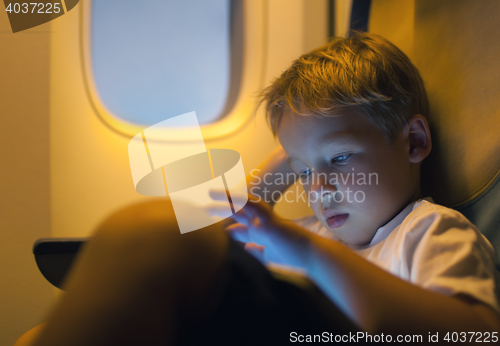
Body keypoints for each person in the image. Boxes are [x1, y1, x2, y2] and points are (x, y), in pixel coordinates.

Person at [22, 32, 500, 345]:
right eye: (302, 170)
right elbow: (210, 234)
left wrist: (307, 252)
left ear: (414, 141)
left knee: (146, 235)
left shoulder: (428, 232)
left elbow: (476, 334)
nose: (320, 186)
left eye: (338, 158)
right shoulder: (312, 230)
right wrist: (288, 166)